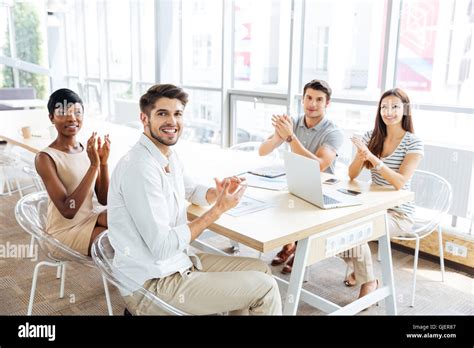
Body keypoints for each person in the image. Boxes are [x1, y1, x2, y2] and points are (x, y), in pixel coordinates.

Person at [108, 84, 282, 315]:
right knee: (266, 288)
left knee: (261, 271)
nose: (172, 121)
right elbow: (162, 247)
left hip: (178, 263)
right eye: (162, 113)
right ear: (144, 118)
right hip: (152, 283)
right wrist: (217, 210)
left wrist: (217, 194)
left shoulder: (167, 155)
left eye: (177, 114)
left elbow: (191, 189)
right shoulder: (140, 168)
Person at [345, 87, 424, 300]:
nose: (388, 111)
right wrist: (362, 156)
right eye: (384, 107)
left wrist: (373, 157)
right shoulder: (371, 136)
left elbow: (399, 182)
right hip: (372, 206)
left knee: (355, 231)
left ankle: (366, 278)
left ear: (405, 110)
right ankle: (367, 274)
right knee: (336, 229)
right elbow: (351, 175)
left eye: (395, 107)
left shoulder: (413, 142)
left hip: (399, 213)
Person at [259, 79, 344, 273]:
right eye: (309, 98)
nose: (312, 104)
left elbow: (319, 166)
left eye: (319, 100)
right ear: (303, 99)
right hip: (295, 182)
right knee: (271, 204)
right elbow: (263, 151)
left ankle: (301, 249)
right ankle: (290, 244)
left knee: (300, 211)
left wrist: (290, 137)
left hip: (323, 188)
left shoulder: (334, 132)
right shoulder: (293, 122)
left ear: (327, 103)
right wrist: (278, 134)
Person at [35, 88, 110, 256]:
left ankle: (156, 274)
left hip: (89, 218)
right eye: (63, 113)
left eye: (77, 112)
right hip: (63, 232)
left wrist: (103, 164)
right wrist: (93, 167)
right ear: (51, 118)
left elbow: (104, 199)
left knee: (126, 222)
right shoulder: (45, 158)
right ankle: (135, 280)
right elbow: (68, 210)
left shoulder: (86, 150)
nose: (72, 118)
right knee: (116, 241)